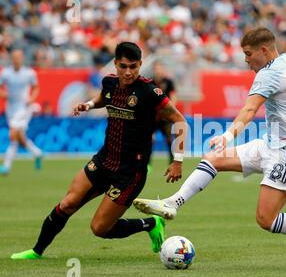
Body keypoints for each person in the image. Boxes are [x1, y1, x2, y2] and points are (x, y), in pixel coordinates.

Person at [133, 27, 286, 271]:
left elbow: (249, 110)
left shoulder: (268, 75)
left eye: (248, 54)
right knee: (214, 158)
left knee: (266, 220)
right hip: (269, 145)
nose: (246, 61)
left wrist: (227, 135)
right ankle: (173, 202)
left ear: (263, 50)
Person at [10, 42, 187, 260]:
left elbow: (180, 120)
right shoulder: (109, 82)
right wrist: (89, 105)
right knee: (67, 204)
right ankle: (37, 252)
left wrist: (177, 160)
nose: (128, 72)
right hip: (104, 160)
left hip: (129, 172)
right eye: (123, 66)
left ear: (141, 65)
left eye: (133, 66)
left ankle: (150, 223)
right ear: (115, 64)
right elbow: (104, 98)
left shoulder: (150, 91)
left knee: (99, 228)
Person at [0, 48, 43, 175]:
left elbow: (36, 88)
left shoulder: (29, 73)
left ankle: (6, 166)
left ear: (22, 58)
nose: (16, 59)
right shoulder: (5, 73)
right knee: (20, 138)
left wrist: (31, 99)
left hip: (24, 107)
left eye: (18, 57)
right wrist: (4, 94)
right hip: (11, 108)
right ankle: (38, 154)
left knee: (13, 134)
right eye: (14, 57)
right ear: (11, 59)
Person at [148, 60, 178, 169]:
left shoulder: (168, 81)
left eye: (160, 68)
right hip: (153, 116)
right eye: (156, 68)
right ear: (154, 69)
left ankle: (172, 161)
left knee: (169, 139)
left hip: (165, 116)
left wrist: (171, 110)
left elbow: (174, 96)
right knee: (150, 140)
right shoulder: (149, 81)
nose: (158, 70)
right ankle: (148, 164)